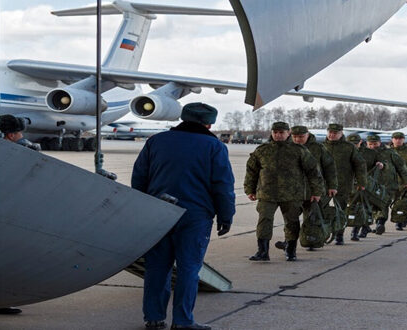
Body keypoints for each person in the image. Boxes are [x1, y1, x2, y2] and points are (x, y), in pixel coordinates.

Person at [132, 102, 235, 330]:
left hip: (158, 213)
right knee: (189, 269)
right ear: (209, 123)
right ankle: (182, 321)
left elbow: (139, 177)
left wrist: (142, 209)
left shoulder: (156, 141)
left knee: (157, 267)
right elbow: (223, 186)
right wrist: (226, 216)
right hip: (194, 216)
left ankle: (154, 318)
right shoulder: (214, 146)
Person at [0, 114, 42, 316]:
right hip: (1, 214)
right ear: (12, 134)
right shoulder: (10, 150)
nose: (22, 136)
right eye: (19, 132)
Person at [244, 122, 325, 261]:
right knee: (264, 220)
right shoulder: (262, 150)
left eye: (281, 132)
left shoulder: (298, 150)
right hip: (267, 193)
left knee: (292, 222)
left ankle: (291, 250)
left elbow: (313, 171)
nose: (278, 135)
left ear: (288, 133)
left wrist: (317, 191)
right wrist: (249, 190)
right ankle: (262, 251)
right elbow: (252, 171)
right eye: (275, 132)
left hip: (292, 194)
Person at [275, 126, 338, 251]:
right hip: (292, 191)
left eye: (301, 137)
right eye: (295, 137)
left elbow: (329, 167)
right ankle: (289, 242)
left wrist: (332, 186)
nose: (298, 139)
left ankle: (311, 238)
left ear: (308, 135)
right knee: (290, 219)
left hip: (312, 191)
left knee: (311, 218)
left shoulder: (318, 149)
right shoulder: (286, 149)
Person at [323, 124, 367, 244]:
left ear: (341, 133)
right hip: (322, 185)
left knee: (340, 211)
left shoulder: (349, 147)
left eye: (335, 133)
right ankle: (322, 234)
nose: (332, 135)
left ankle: (339, 235)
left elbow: (360, 164)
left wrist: (361, 182)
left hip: (343, 185)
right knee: (321, 210)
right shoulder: (321, 147)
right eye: (330, 132)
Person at [366, 135, 407, 235]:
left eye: (375, 144)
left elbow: (402, 168)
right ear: (366, 144)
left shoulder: (390, 153)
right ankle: (365, 226)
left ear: (380, 143)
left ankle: (380, 223)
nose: (373, 146)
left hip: (387, 184)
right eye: (370, 144)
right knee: (368, 205)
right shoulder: (364, 154)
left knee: (383, 204)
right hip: (369, 185)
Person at [348, 134, 383, 238]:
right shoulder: (344, 153)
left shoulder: (370, 153)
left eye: (356, 143)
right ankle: (365, 226)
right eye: (351, 144)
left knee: (363, 206)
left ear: (360, 142)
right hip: (350, 184)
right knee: (354, 207)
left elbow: (382, 161)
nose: (354, 145)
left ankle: (356, 230)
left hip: (367, 184)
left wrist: (381, 164)